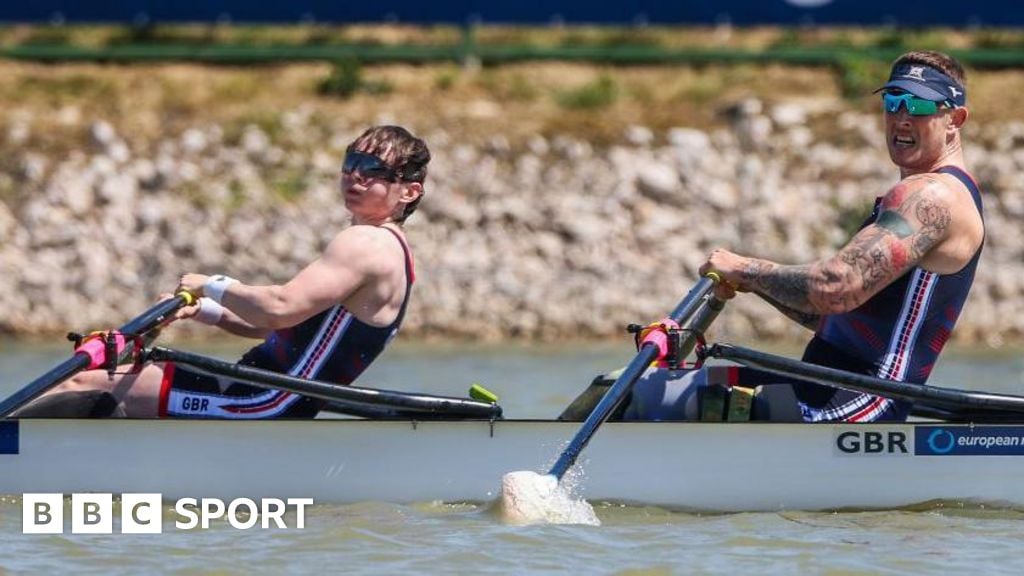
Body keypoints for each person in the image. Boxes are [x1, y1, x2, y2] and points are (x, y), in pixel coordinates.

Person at [17, 125, 429, 418]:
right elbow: (282, 331)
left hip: (265, 399)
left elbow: (279, 308)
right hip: (266, 390)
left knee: (88, 381)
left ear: (408, 192)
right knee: (113, 379)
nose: (355, 175)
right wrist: (205, 311)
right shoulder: (383, 250)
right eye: (351, 162)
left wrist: (211, 285)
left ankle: (18, 456)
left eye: (374, 170)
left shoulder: (365, 244)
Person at [696, 50, 984, 422]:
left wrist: (747, 268)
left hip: (863, 402)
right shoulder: (924, 194)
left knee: (657, 398)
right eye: (893, 102)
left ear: (954, 119)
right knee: (664, 384)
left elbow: (836, 287)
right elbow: (840, 318)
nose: (902, 118)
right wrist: (754, 284)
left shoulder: (931, 197)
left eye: (918, 105)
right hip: (828, 385)